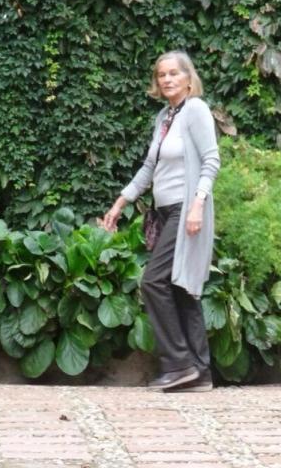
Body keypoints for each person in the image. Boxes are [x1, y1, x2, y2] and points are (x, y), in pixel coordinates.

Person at [101, 50, 220, 393]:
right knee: (182, 289)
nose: (167, 79)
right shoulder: (165, 117)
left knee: (153, 282)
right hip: (167, 209)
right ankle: (200, 372)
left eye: (173, 73)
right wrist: (121, 202)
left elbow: (212, 160)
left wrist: (198, 204)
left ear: (187, 77)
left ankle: (179, 364)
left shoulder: (195, 109)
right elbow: (150, 169)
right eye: (161, 75)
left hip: (187, 208)